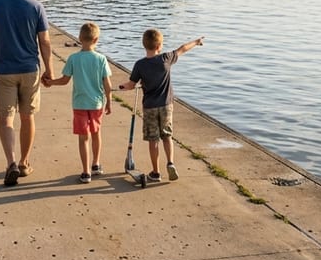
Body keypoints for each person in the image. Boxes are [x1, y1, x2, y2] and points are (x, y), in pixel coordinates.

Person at [0, 0, 54, 186]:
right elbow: (45, 41)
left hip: (3, 70)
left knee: (6, 118)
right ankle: (23, 162)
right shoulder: (36, 7)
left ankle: (10, 161)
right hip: (30, 69)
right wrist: (49, 69)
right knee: (27, 116)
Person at [117, 30, 204, 182]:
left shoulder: (140, 65)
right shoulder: (166, 58)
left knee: (153, 140)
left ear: (144, 45)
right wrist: (196, 42)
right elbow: (182, 48)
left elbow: (131, 85)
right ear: (159, 45)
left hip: (150, 107)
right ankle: (170, 162)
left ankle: (156, 172)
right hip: (166, 105)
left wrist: (122, 87)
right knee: (167, 136)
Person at [47, 22, 113, 182]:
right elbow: (107, 84)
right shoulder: (101, 59)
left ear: (79, 38)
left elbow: (64, 80)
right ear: (96, 39)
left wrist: (51, 82)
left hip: (79, 104)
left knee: (83, 138)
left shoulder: (73, 59)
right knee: (96, 134)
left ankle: (85, 172)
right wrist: (109, 102)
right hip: (97, 103)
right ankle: (96, 164)